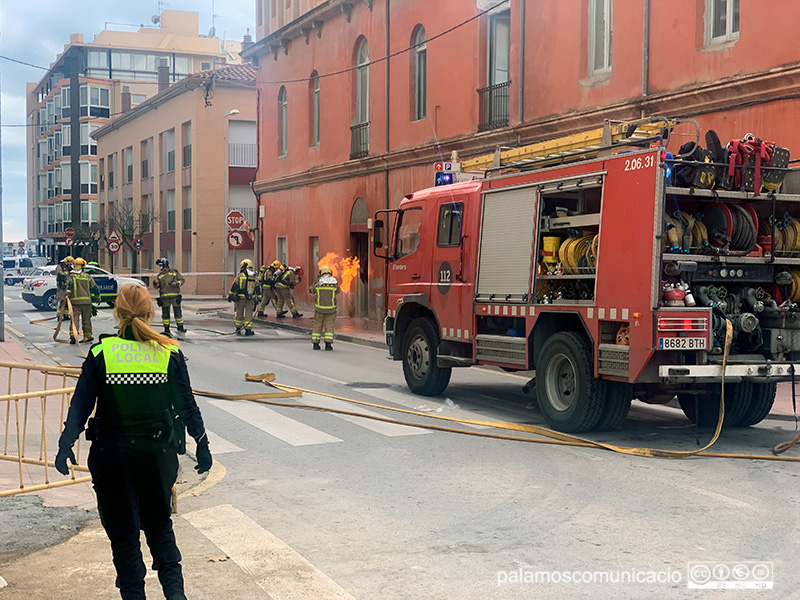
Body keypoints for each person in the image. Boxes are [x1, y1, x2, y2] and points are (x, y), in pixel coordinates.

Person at [55, 284, 212, 600]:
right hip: (156, 456)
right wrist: (202, 443)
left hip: (111, 456)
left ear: (117, 312)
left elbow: (81, 404)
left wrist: (65, 443)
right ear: (150, 311)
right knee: (159, 528)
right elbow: (186, 405)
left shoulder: (102, 353)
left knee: (125, 538)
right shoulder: (168, 352)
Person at [67, 257, 100, 344]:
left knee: (74, 319)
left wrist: (66, 298)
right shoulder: (87, 276)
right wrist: (97, 297)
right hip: (86, 302)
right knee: (86, 320)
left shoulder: (71, 277)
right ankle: (88, 336)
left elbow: (68, 288)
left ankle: (73, 336)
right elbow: (95, 288)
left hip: (75, 302)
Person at [308, 265, 340, 351]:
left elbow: (311, 290)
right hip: (331, 309)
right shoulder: (334, 285)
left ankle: (315, 344)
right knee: (329, 326)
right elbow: (338, 291)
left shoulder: (318, 284)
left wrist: (314, 284)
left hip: (319, 309)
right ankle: (328, 345)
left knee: (317, 325)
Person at [152, 258, 186, 337]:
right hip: (164, 298)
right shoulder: (160, 276)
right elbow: (156, 286)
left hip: (175, 296)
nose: (160, 267)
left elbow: (182, 280)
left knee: (177, 312)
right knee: (165, 314)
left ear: (165, 265)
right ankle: (166, 328)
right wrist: (155, 283)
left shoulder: (174, 273)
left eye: (161, 265)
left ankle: (180, 327)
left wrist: (177, 283)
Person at [228, 258, 261, 335]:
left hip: (240, 298)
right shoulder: (254, 276)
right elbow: (257, 288)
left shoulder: (240, 275)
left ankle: (238, 328)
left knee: (239, 312)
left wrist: (230, 295)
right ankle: (248, 330)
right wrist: (259, 298)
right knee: (249, 313)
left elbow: (234, 285)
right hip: (250, 298)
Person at [55, 256, 74, 321]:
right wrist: (66, 273)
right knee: (61, 300)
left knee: (67, 301)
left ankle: (66, 315)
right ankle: (59, 315)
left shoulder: (68, 267)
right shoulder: (60, 266)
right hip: (61, 287)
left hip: (67, 286)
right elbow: (60, 274)